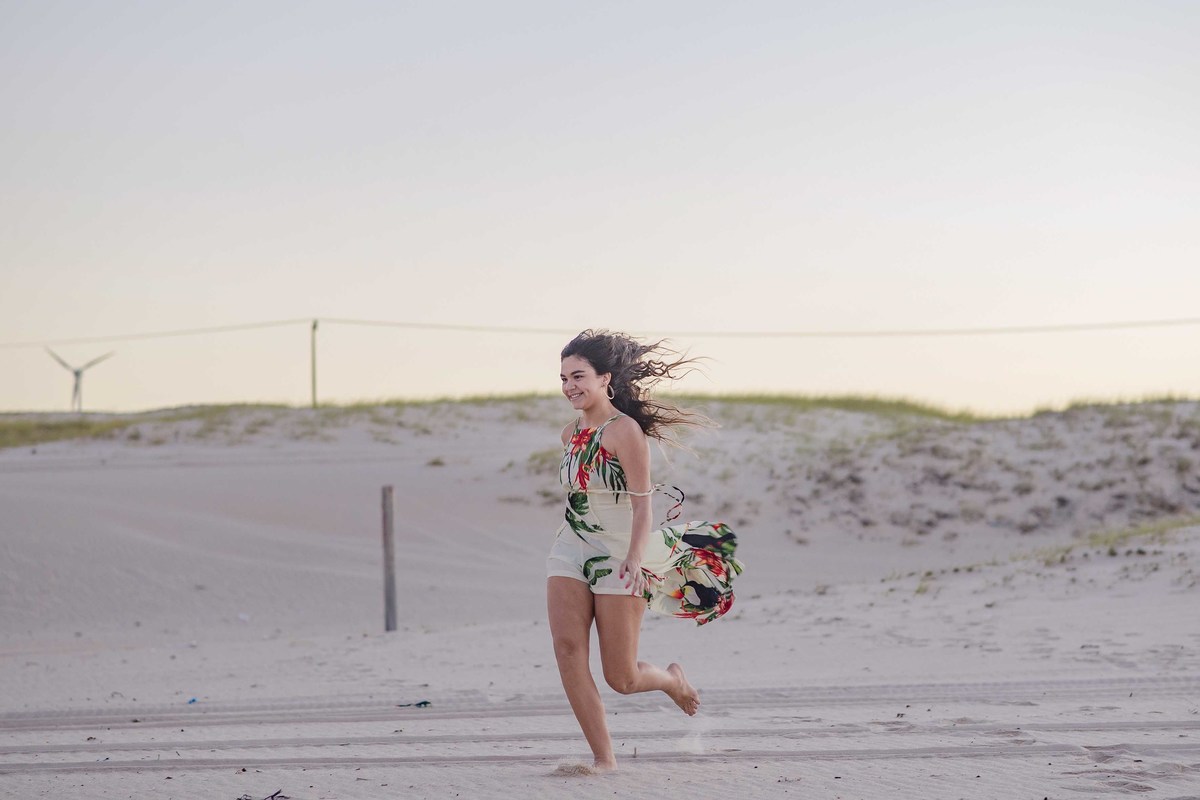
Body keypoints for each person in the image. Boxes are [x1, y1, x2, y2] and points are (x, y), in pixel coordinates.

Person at [546, 328, 743, 773]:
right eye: (563, 378)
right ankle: (604, 760)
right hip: (569, 549)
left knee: (622, 677)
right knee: (567, 650)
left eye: (578, 376)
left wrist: (635, 558)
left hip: (618, 555)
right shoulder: (569, 434)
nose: (569, 387)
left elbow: (641, 506)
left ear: (605, 379)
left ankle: (672, 681)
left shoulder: (625, 432)